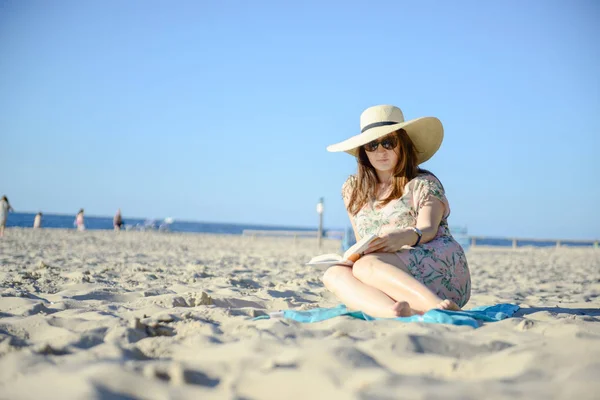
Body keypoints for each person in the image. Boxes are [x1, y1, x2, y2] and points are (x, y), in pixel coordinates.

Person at [323, 105, 471, 318]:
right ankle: (393, 312)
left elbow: (428, 229)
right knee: (333, 274)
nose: (380, 151)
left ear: (403, 144)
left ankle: (436, 306)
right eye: (372, 145)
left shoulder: (423, 184)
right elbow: (360, 240)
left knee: (367, 265)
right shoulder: (353, 189)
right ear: (363, 151)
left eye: (388, 142)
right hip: (379, 268)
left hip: (432, 261)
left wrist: (404, 236)